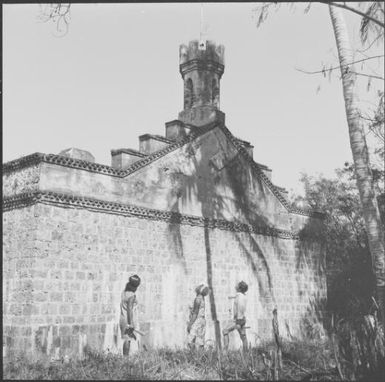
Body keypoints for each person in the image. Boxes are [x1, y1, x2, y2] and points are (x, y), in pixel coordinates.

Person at [223, 280, 248, 353]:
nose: (236, 285)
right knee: (243, 336)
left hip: (238, 320)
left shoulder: (239, 297)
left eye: (237, 285)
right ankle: (246, 353)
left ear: (239, 288)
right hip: (242, 318)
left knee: (225, 330)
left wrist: (238, 322)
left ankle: (225, 353)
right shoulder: (242, 295)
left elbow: (240, 308)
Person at [119, 274, 141, 356]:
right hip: (128, 319)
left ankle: (125, 358)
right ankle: (126, 359)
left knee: (126, 339)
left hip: (122, 318)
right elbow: (129, 309)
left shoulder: (124, 293)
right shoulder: (132, 296)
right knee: (128, 339)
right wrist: (130, 323)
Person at [187, 284, 209, 350]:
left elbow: (195, 313)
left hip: (197, 320)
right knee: (201, 340)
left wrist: (190, 324)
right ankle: (201, 356)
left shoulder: (197, 299)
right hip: (202, 320)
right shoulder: (202, 299)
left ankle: (192, 354)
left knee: (190, 339)